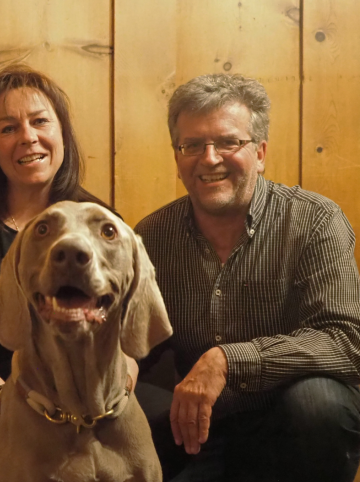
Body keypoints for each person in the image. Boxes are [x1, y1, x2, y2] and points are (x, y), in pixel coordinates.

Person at [0, 64, 144, 482]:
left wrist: (120, 386)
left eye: (39, 121)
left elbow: (128, 326)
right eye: (8, 128)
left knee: (162, 414)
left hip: (91, 390)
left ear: (62, 135)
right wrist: (10, 400)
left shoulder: (103, 222)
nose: (27, 137)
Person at [135, 73, 360, 481]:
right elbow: (137, 343)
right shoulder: (152, 236)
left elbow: (346, 340)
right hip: (200, 432)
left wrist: (227, 360)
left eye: (228, 142)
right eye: (192, 145)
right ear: (177, 157)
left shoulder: (314, 221)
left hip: (291, 433)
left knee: (317, 402)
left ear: (260, 153)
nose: (209, 158)